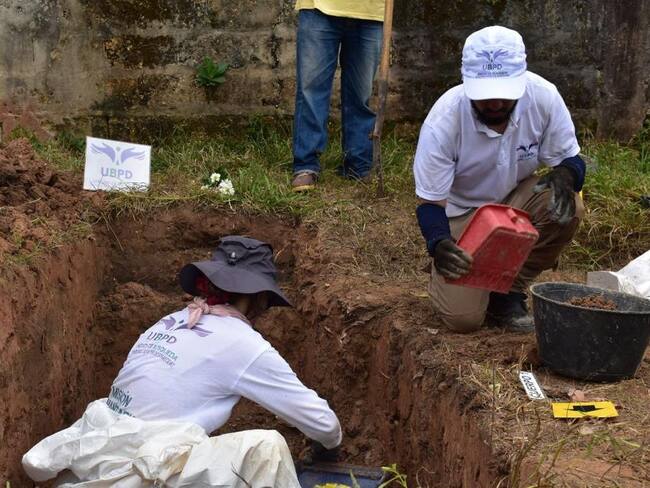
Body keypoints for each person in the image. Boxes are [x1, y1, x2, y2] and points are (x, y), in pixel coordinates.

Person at [23, 236, 341, 487]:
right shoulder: (243, 343)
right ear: (258, 298)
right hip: (140, 474)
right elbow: (323, 424)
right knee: (265, 448)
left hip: (96, 463)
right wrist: (329, 449)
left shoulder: (171, 320)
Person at [414, 26, 586, 334]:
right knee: (463, 320)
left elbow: (571, 159)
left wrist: (566, 174)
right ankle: (458, 282)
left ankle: (509, 292)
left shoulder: (544, 97)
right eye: (485, 96)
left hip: (516, 201)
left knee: (569, 203)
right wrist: (438, 243)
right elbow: (430, 204)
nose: (494, 104)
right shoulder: (444, 120)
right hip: (463, 216)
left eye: (504, 96)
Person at [291, 0, 384, 191]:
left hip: (370, 12)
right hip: (318, 7)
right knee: (311, 91)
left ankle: (358, 165)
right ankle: (306, 165)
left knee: (360, 94)